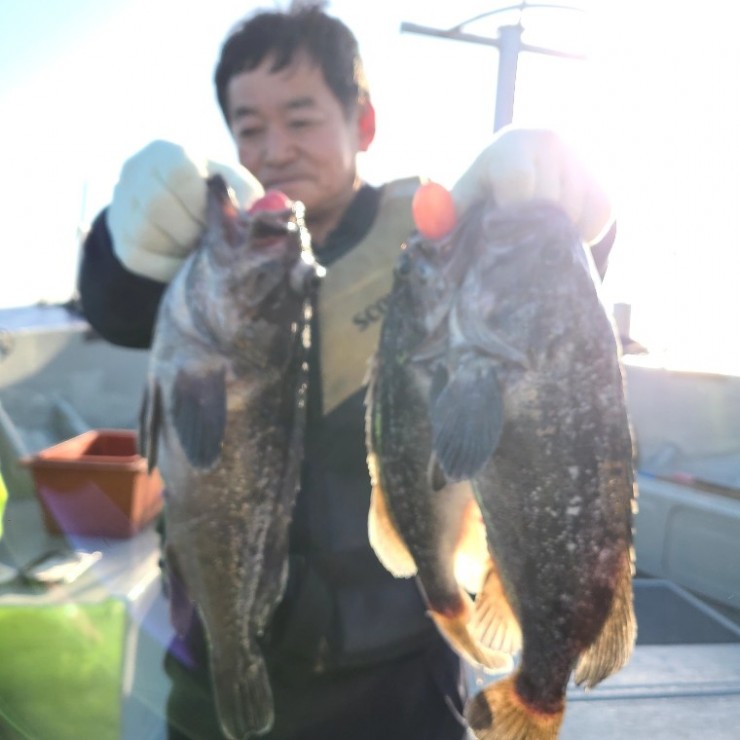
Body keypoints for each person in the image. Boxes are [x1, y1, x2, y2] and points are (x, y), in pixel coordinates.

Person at [77, 3, 616, 738]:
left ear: (362, 123)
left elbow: (543, 319)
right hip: (216, 666)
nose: (276, 149)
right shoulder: (209, 251)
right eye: (249, 127)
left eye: (301, 119)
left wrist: (568, 202)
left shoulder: (432, 235)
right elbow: (116, 306)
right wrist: (122, 239)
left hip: (403, 681)